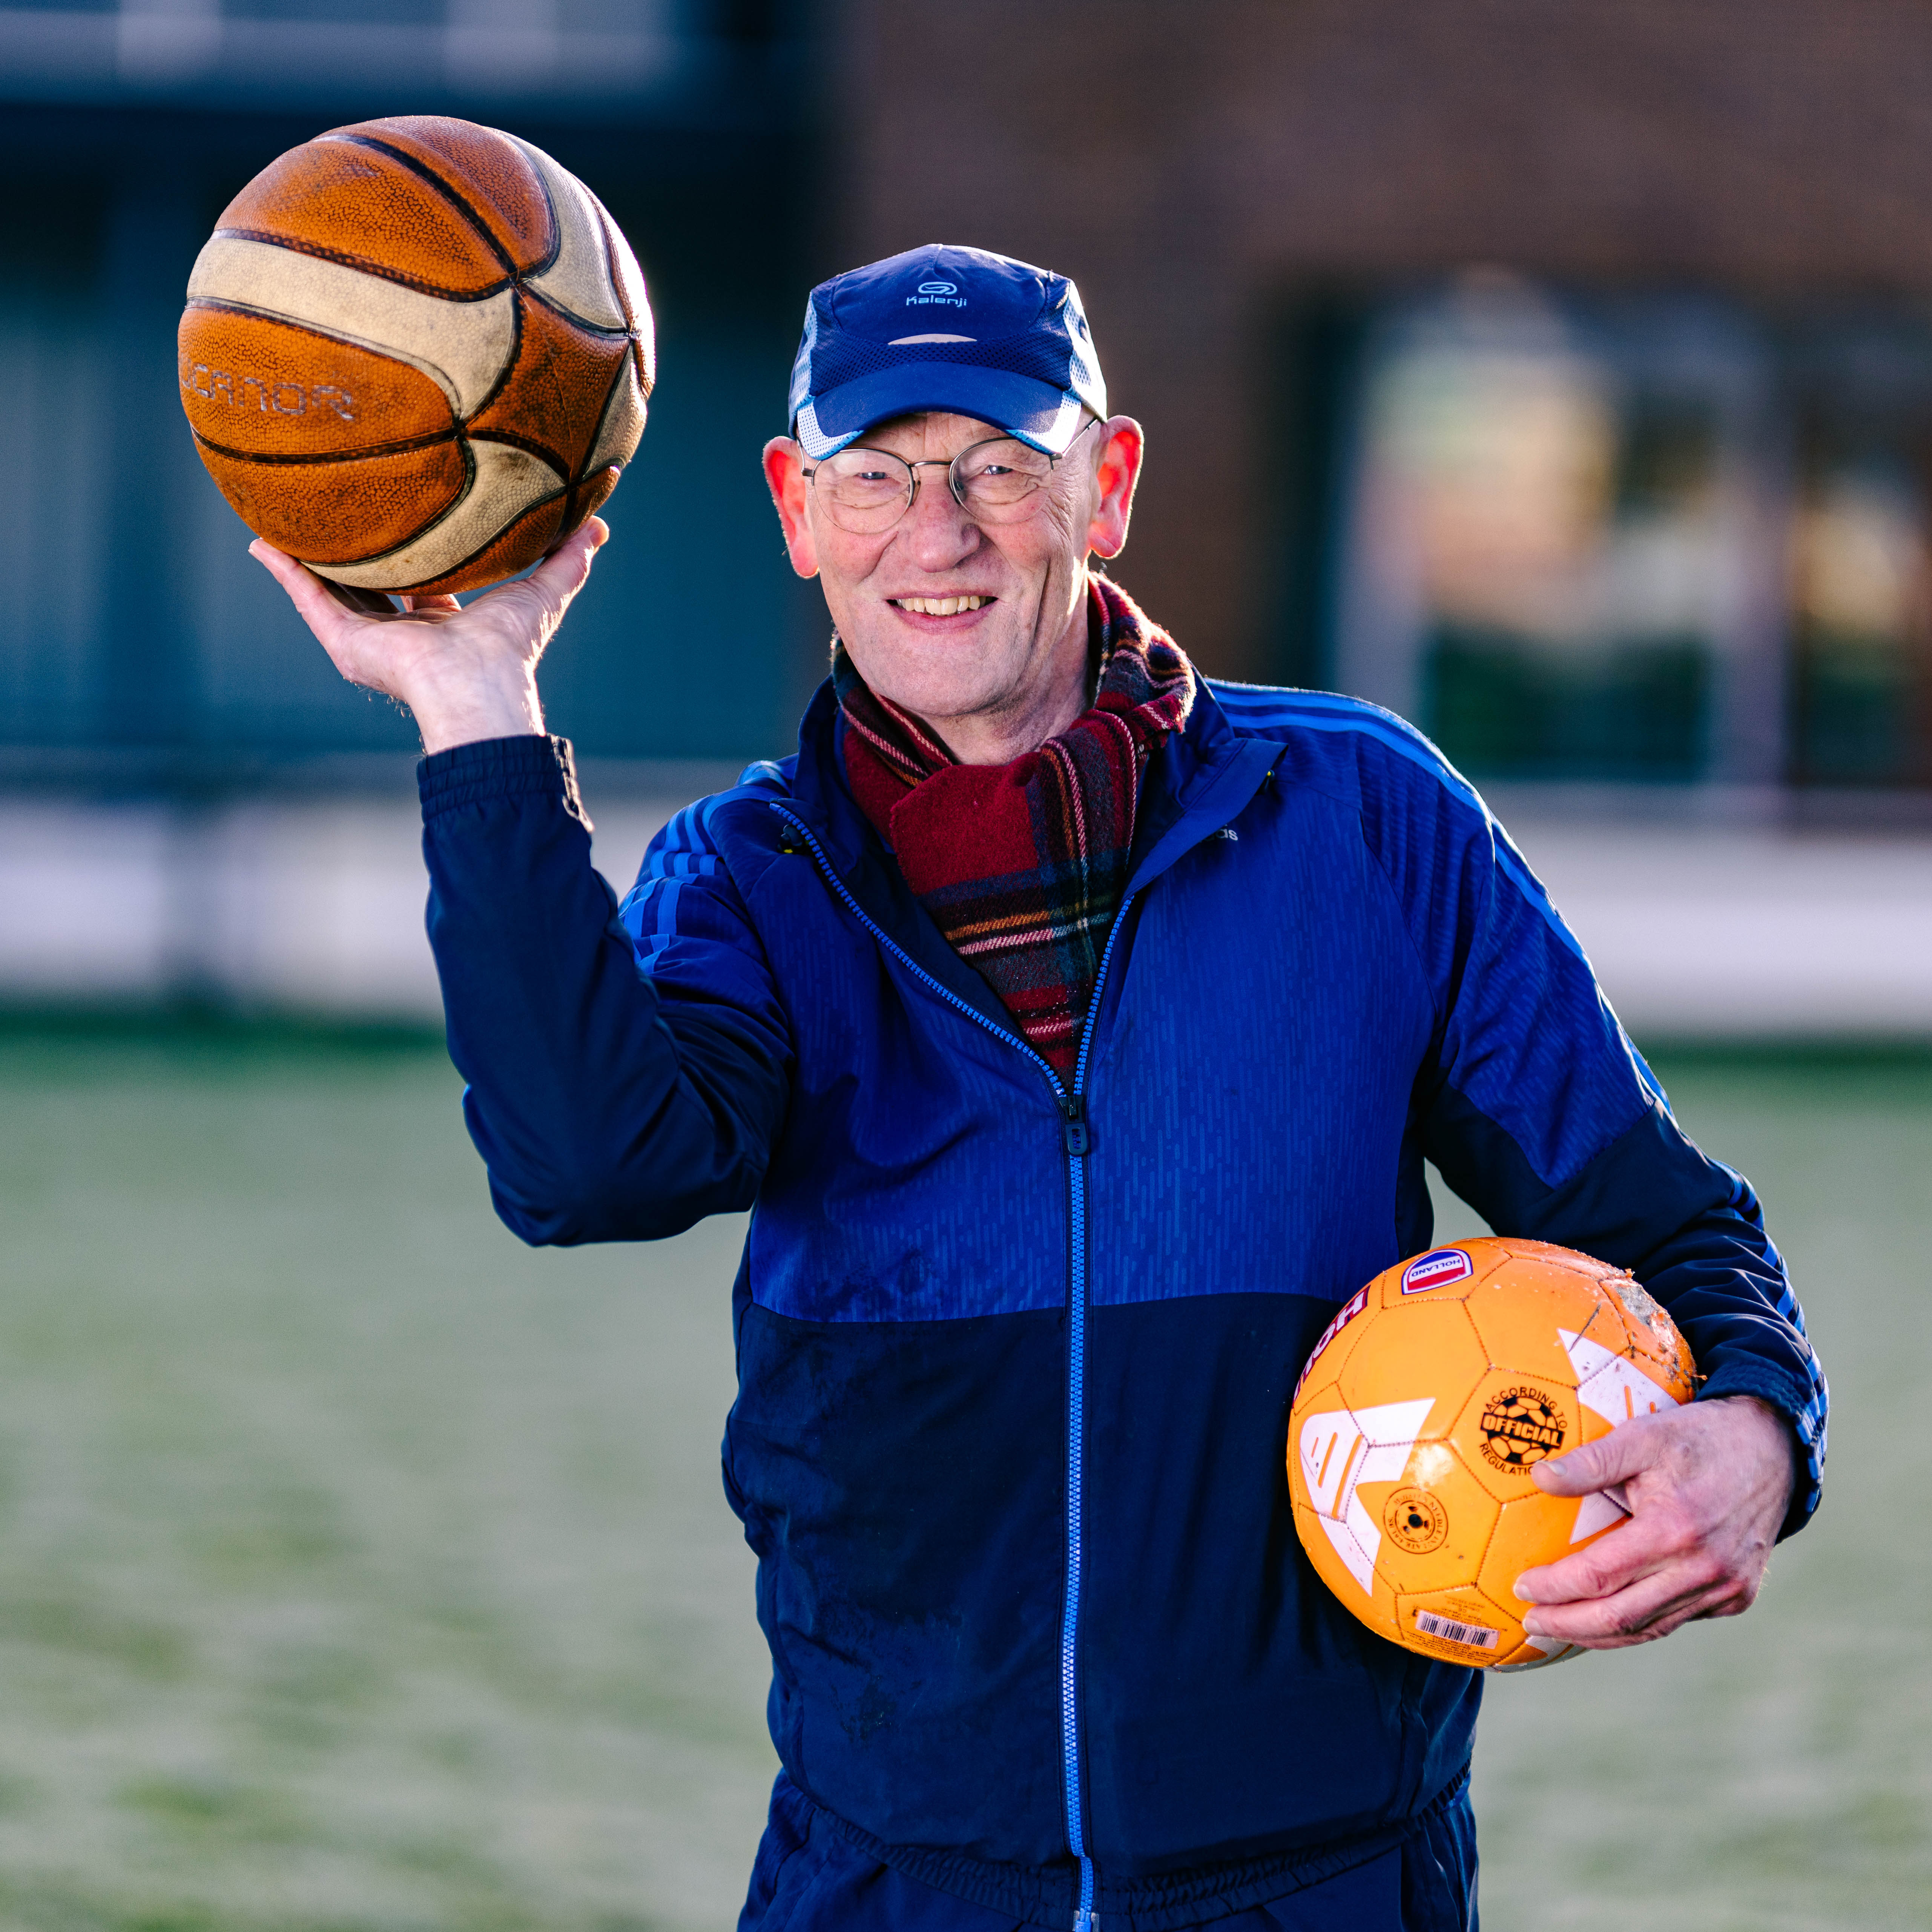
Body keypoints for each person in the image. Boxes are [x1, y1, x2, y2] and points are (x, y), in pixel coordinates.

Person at [254, 244, 1828, 1932]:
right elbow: (587, 1170)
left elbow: (1658, 1216)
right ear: (798, 509)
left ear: (1110, 484)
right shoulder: (749, 882)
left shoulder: (1370, 819)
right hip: (893, 1871)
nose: (939, 537)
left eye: (1002, 467)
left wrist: (1758, 1422)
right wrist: (475, 706)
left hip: (1322, 1877)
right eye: (875, 476)